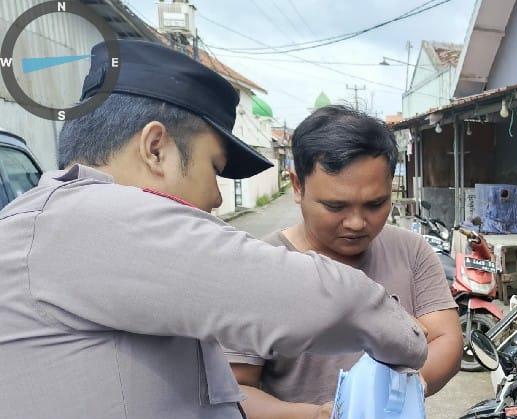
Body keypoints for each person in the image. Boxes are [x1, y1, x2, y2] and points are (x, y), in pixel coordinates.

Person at [0, 40, 426, 419]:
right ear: (155, 149)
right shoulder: (86, 221)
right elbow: (323, 302)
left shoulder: (61, 225)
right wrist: (406, 339)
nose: (216, 198)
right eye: (214, 168)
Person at [228, 106, 462, 418]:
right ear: (297, 186)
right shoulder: (258, 268)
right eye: (335, 206)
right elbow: (236, 389)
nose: (356, 223)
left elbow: (447, 339)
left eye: (375, 204)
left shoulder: (411, 251)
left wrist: (402, 389)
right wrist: (322, 415)